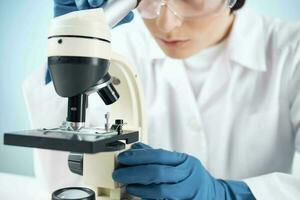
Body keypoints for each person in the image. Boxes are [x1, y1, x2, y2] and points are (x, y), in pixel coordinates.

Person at [23, 0, 300, 199]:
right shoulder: (119, 44)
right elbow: (63, 183)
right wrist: (67, 44)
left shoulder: (291, 51)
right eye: (151, 1)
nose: (166, 24)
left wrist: (228, 195)